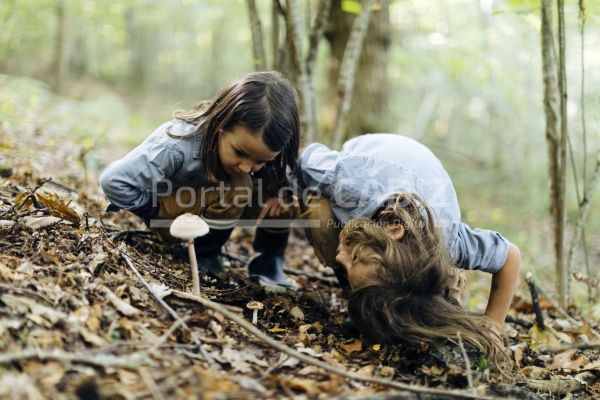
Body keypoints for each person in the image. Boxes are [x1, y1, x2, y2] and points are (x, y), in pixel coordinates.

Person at [291, 134, 520, 368]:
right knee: (321, 220)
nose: (340, 258)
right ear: (392, 232)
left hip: (410, 193)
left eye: (353, 258)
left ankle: (367, 289)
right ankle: (357, 289)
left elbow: (509, 256)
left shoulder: (447, 244)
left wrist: (493, 325)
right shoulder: (347, 179)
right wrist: (294, 191)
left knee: (415, 296)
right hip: (373, 165)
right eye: (354, 258)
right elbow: (303, 157)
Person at [100, 71, 300, 288]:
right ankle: (203, 256)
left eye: (260, 161)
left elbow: (290, 177)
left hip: (204, 208)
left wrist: (280, 192)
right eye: (240, 152)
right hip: (172, 217)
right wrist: (153, 211)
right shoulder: (174, 146)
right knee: (238, 184)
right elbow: (114, 180)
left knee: (284, 198)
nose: (246, 166)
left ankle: (268, 266)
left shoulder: (264, 153)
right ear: (221, 126)